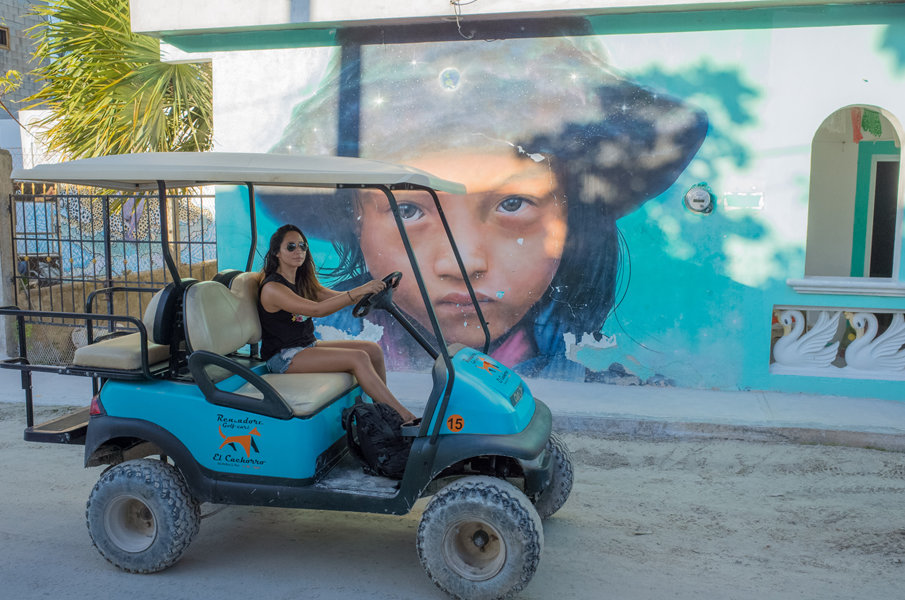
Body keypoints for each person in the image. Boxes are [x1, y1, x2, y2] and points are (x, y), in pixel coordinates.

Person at [258, 21, 709, 380]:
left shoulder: (586, 379)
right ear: (356, 218)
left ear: (570, 215)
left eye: (513, 204)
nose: (464, 262)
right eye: (408, 210)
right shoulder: (328, 333)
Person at [258, 224, 417, 422]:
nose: (298, 251)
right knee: (358, 358)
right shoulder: (273, 288)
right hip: (283, 357)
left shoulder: (301, 280)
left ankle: (382, 413)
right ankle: (404, 417)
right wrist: (359, 291)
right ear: (276, 253)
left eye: (302, 246)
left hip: (306, 346)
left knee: (372, 349)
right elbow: (317, 310)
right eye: (291, 247)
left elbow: (337, 297)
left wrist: (368, 292)